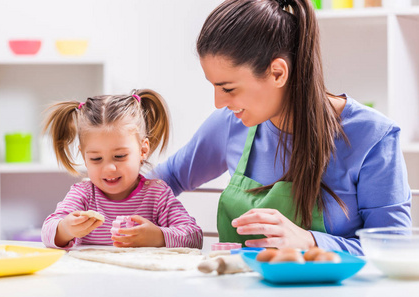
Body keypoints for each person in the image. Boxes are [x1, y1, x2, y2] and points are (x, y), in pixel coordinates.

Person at [150, 0, 411, 255]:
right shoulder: (231, 123)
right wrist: (111, 201)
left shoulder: (373, 136)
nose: (219, 103)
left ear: (277, 73)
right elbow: (165, 179)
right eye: (214, 86)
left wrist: (310, 241)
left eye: (228, 88)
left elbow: (392, 250)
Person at [41, 89, 203, 249]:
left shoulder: (157, 195)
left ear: (143, 150)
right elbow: (47, 231)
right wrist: (65, 229)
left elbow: (194, 236)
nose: (109, 168)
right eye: (96, 159)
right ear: (84, 157)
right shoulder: (84, 195)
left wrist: (158, 236)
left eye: (119, 156)